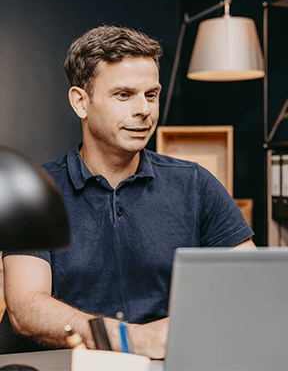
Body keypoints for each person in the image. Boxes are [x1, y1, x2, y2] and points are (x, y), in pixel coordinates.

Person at [2, 25, 256, 359]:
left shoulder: (195, 184)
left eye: (151, 95)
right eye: (124, 95)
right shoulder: (34, 192)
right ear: (81, 102)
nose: (144, 111)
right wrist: (130, 339)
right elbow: (27, 310)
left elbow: (252, 283)